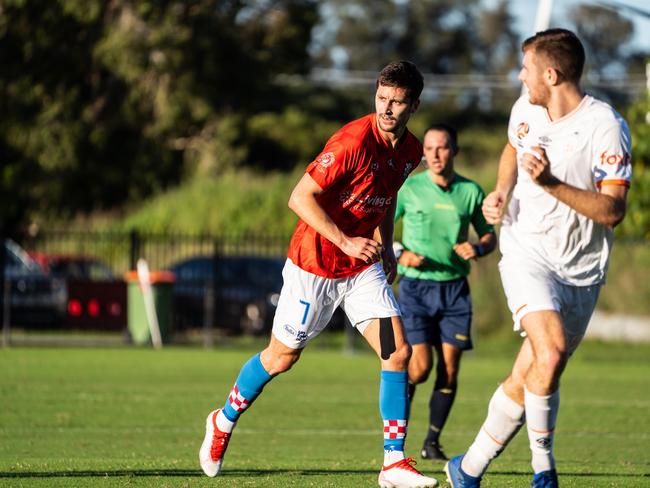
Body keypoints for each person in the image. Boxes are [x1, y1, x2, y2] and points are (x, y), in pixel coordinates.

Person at [199, 60, 439, 488]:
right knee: (282, 357)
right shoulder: (351, 142)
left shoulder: (411, 151)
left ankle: (393, 462)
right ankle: (223, 418)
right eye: (382, 98)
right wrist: (346, 241)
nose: (387, 109)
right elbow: (300, 197)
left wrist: (383, 246)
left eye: (397, 102)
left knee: (397, 352)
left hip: (362, 270)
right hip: (316, 265)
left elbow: (387, 197)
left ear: (414, 105)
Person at [444, 29, 632, 488]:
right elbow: (513, 146)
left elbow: (612, 211)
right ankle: (543, 471)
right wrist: (502, 191)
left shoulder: (605, 126)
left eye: (525, 67)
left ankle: (467, 469)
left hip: (582, 270)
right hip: (526, 249)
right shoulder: (524, 107)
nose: (519, 75)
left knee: (531, 372)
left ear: (551, 74)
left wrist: (550, 185)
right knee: (549, 353)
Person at [393, 124, 496, 462]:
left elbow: (488, 236)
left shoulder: (471, 191)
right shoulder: (409, 188)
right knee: (419, 367)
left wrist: (478, 249)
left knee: (449, 370)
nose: (435, 155)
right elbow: (378, 226)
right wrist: (399, 252)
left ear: (455, 151)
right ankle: (396, 440)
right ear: (423, 153)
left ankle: (432, 441)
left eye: (443, 148)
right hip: (415, 288)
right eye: (430, 148)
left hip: (454, 291)